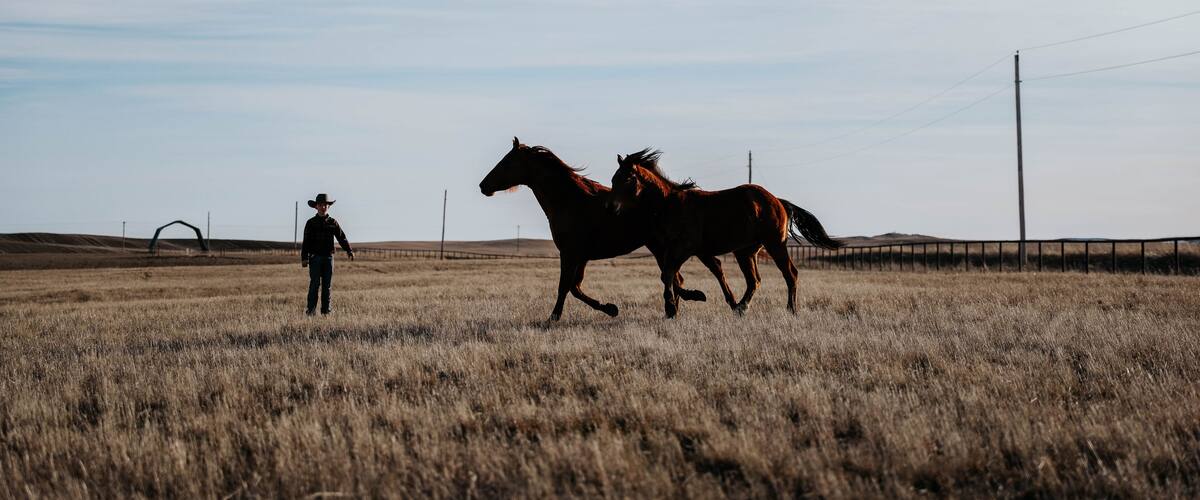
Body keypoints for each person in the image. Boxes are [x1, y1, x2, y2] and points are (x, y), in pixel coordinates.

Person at [301, 193, 354, 315]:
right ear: (316, 207)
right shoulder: (311, 223)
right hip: (314, 258)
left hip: (328, 258)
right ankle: (311, 311)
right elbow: (306, 242)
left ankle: (326, 312)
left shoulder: (333, 222)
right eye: (320, 205)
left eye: (325, 205)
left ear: (328, 206)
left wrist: (349, 250)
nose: (323, 207)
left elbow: (342, 237)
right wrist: (304, 258)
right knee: (314, 285)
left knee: (327, 286)